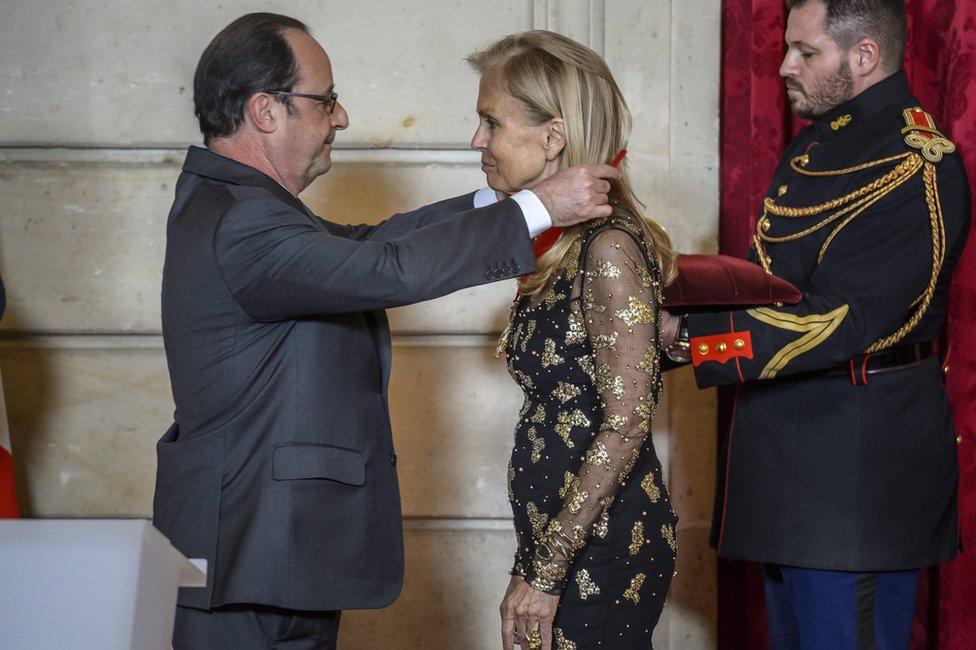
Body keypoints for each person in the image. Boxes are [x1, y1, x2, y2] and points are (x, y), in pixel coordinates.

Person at [152, 13, 621, 649]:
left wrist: (511, 197)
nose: (340, 118)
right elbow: (384, 268)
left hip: (275, 560)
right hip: (247, 557)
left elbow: (376, 243)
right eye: (326, 101)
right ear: (265, 111)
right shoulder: (240, 223)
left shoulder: (246, 210)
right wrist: (539, 206)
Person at [660, 1, 971, 648]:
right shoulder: (824, 140)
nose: (783, 66)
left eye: (806, 53)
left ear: (864, 57)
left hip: (855, 468)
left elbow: (844, 319)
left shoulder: (916, 165)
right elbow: (773, 284)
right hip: (792, 453)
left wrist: (695, 341)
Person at [468, 31, 679, 650]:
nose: (476, 140)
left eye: (490, 122)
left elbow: (627, 423)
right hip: (561, 535)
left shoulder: (606, 247)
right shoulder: (563, 248)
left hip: (599, 547)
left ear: (554, 136)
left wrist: (545, 568)